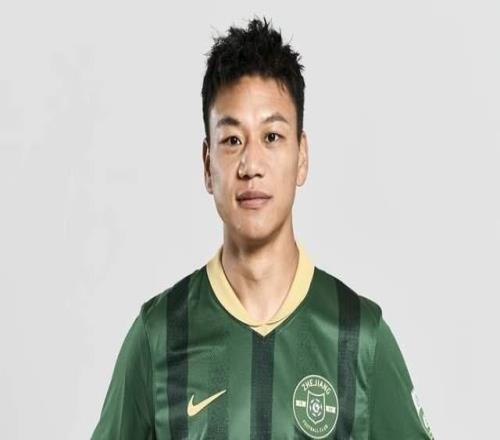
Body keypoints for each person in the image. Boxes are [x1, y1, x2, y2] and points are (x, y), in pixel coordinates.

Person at [91, 16, 435, 440]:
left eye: (272, 137)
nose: (251, 165)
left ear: (302, 156)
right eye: (232, 140)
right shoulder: (158, 336)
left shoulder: (359, 337)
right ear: (207, 165)